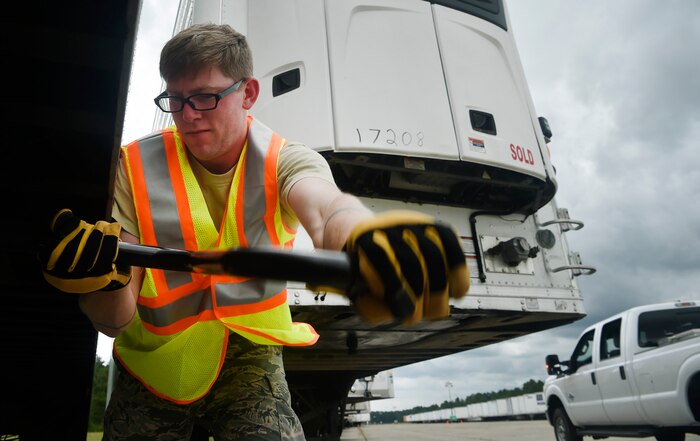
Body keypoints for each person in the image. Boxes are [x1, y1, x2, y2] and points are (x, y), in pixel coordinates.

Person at [39, 23, 469, 441]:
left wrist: (365, 240)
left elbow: (327, 208)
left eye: (205, 97)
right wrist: (99, 284)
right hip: (154, 366)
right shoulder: (132, 168)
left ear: (247, 93)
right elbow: (114, 321)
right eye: (176, 99)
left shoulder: (286, 160)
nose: (188, 116)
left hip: (249, 355)